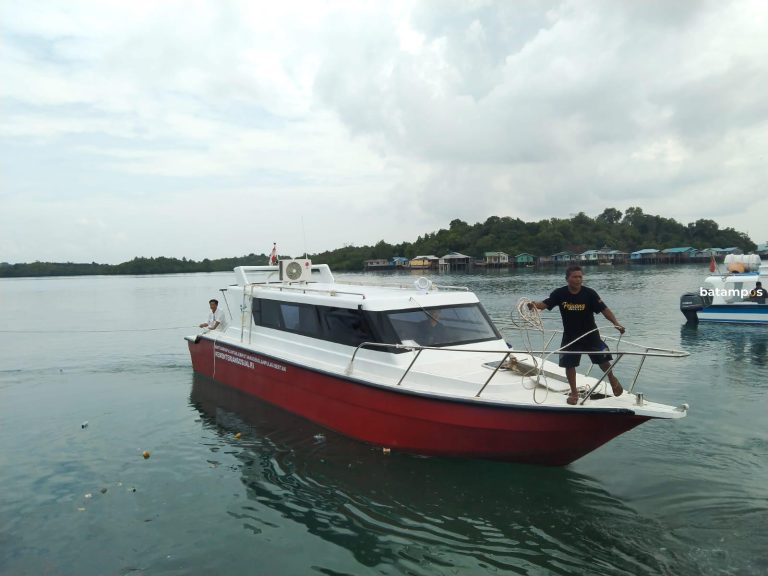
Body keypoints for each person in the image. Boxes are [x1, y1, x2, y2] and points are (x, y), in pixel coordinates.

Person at [527, 265, 625, 405]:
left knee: (603, 361)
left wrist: (616, 323)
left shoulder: (589, 293)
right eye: (575, 277)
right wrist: (532, 305)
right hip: (570, 335)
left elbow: (604, 310)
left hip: (590, 334)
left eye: (580, 277)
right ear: (567, 279)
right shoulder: (559, 293)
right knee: (569, 364)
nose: (578, 279)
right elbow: (544, 304)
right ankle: (574, 392)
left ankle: (612, 378)